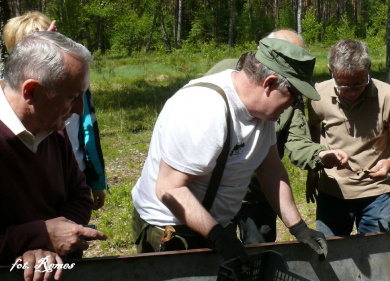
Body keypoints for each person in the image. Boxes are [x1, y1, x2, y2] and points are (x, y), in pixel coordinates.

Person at [132, 38, 328, 262]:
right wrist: (217, 235)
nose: (294, 106)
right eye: (294, 97)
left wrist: (299, 228)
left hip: (212, 227)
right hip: (171, 230)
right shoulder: (205, 110)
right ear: (269, 84)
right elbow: (170, 189)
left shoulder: (261, 113)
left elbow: (271, 170)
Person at [205, 29, 352, 244]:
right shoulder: (224, 76)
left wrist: (322, 155)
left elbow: (293, 146)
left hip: (258, 194)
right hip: (214, 194)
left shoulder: (290, 94)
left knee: (258, 257)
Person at [0, 31, 107, 281]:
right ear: (31, 92)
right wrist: (42, 236)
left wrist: (51, 244)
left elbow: (80, 194)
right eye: (71, 96)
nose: (80, 109)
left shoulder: (51, 130)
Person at [307, 39, 390, 237]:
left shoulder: (388, 97)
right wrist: (313, 171)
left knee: (375, 256)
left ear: (369, 69)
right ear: (331, 72)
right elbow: (313, 126)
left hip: (375, 194)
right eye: (344, 85)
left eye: (359, 84)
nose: (352, 92)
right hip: (332, 191)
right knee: (331, 256)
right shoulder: (317, 95)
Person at [2, 12, 109, 210]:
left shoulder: (70, 95)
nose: (79, 108)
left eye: (54, 40)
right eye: (38, 43)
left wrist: (95, 181)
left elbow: (89, 132)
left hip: (72, 171)